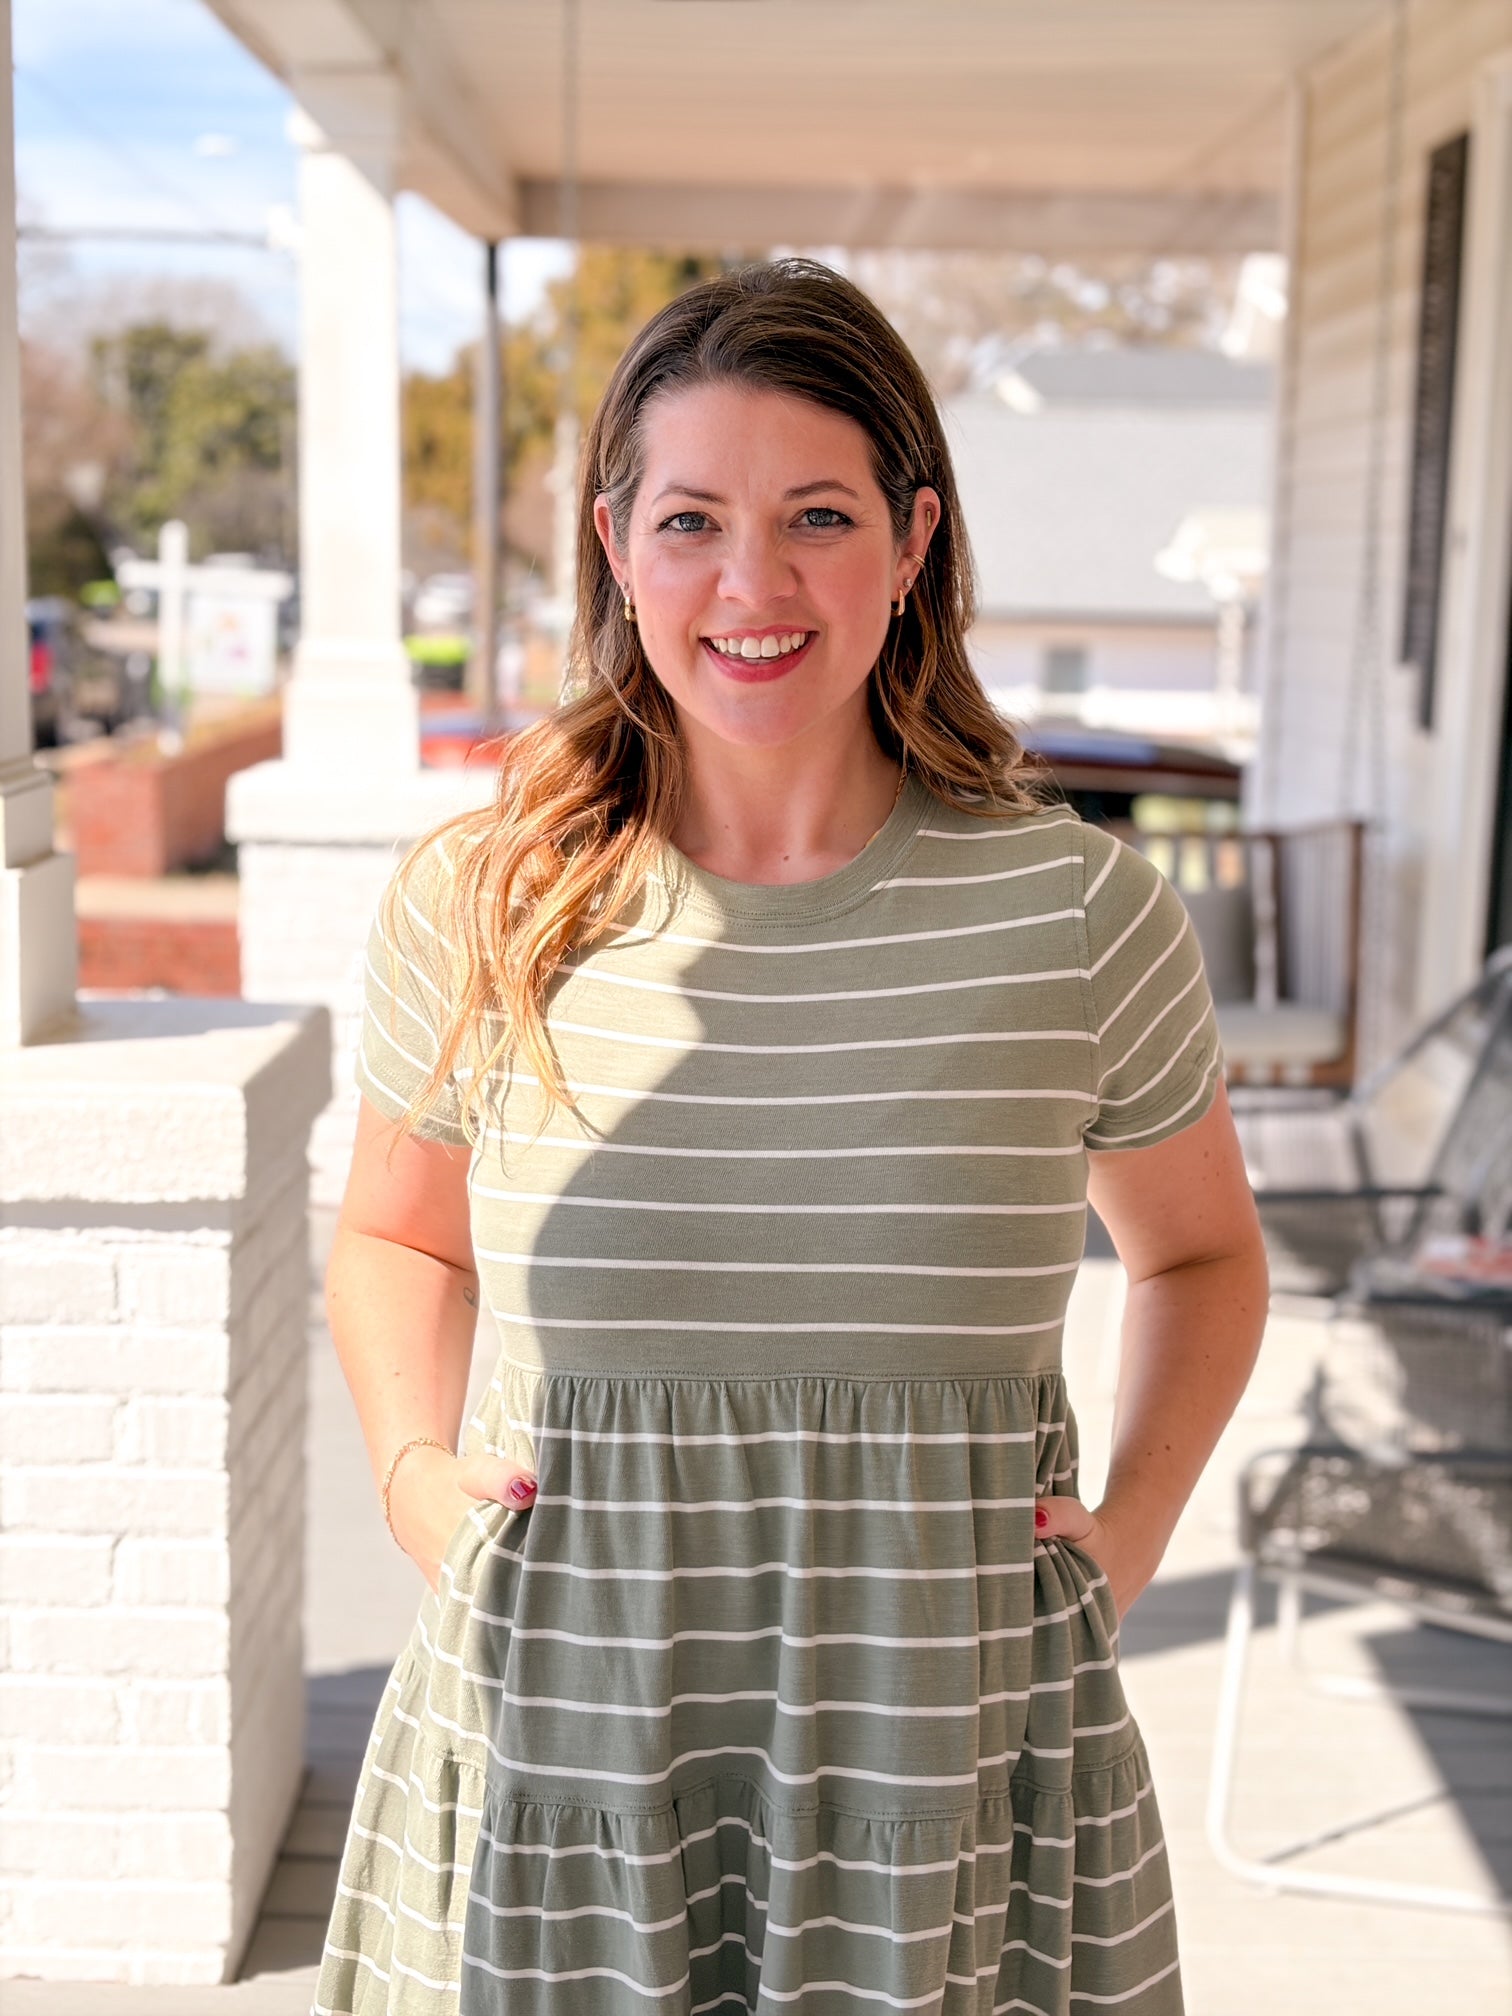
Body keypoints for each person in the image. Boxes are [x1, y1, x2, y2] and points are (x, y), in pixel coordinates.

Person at [314, 258, 1268, 2016]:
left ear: (912, 545)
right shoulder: (489, 900)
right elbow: (399, 1239)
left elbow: (1201, 1256)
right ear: (617, 546)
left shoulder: (1076, 916)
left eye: (816, 517)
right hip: (558, 1758)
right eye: (692, 520)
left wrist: (1129, 1530)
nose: (751, 585)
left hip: (951, 1777)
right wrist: (417, 1487)